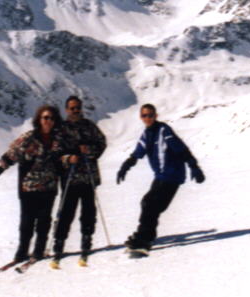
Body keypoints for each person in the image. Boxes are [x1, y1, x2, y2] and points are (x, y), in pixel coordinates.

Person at [0, 105, 75, 262]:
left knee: (44, 221)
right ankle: (22, 252)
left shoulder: (59, 140)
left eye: (52, 118)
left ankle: (39, 250)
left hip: (49, 186)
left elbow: (61, 158)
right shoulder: (28, 138)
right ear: (39, 119)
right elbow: (12, 155)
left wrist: (69, 159)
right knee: (27, 221)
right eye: (45, 117)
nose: (49, 121)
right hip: (28, 186)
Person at [116, 103, 205, 254]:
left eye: (150, 115)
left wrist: (194, 166)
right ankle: (146, 235)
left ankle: (144, 238)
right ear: (141, 117)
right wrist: (126, 165)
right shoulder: (147, 133)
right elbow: (139, 152)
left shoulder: (164, 130)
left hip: (172, 174)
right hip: (161, 175)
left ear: (155, 116)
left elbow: (181, 149)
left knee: (150, 204)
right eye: (144, 115)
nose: (148, 118)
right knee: (149, 204)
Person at [52, 96, 107, 263]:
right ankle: (59, 242)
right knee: (66, 211)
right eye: (72, 108)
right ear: (66, 109)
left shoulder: (89, 126)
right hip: (69, 177)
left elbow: (101, 143)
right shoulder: (60, 129)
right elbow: (55, 152)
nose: (75, 111)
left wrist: (89, 150)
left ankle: (86, 239)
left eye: (78, 108)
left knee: (88, 211)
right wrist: (68, 159)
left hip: (88, 175)